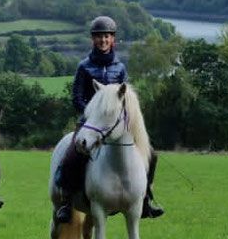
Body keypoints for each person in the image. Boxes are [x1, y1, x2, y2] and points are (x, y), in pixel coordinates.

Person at [52, 15, 164, 223]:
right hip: (89, 123)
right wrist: (93, 115)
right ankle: (67, 203)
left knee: (152, 155)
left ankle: (146, 200)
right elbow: (76, 97)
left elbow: (126, 99)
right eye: (98, 37)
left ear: (112, 39)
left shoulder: (119, 67)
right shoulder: (83, 67)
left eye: (106, 36)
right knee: (71, 156)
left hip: (116, 126)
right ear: (93, 40)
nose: (102, 40)